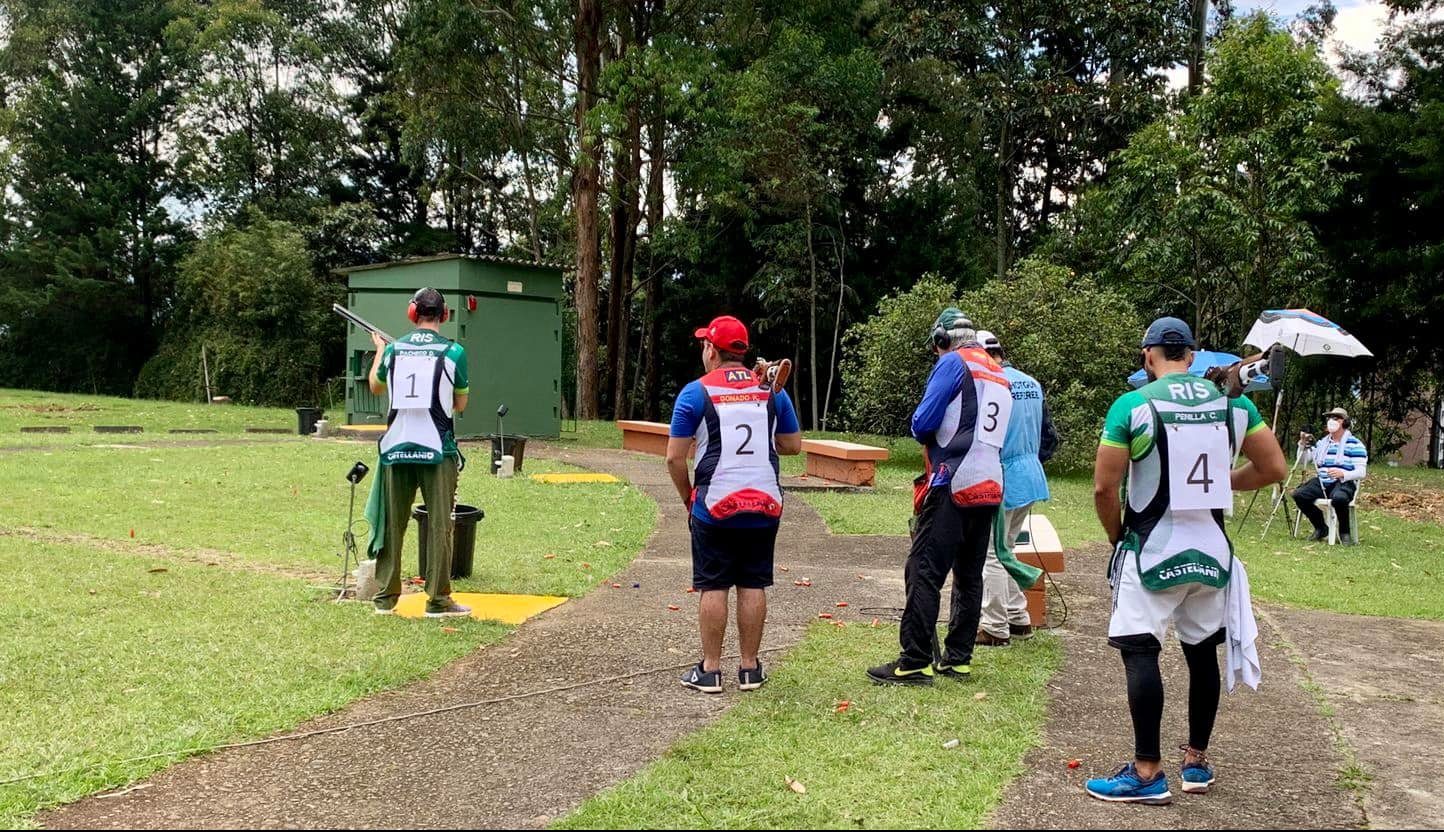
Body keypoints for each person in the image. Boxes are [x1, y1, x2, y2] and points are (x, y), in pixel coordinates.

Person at [1086, 317, 1287, 805]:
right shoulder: (1234, 405)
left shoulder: (1132, 405)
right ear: (1192, 357)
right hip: (1212, 553)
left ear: (1147, 355)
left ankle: (1146, 771)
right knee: (1200, 654)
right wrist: (1226, 480)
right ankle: (1195, 762)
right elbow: (1275, 468)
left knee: (1140, 650)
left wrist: (1117, 537)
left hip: (1152, 548)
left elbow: (1104, 487)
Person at [868, 308, 1012, 685]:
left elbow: (923, 423)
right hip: (991, 482)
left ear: (942, 341)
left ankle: (915, 659)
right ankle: (958, 658)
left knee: (924, 570)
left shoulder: (951, 364)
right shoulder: (998, 372)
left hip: (953, 480)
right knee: (969, 573)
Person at [667, 315, 802, 694]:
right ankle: (750, 669)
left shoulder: (694, 393)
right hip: (764, 502)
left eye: (703, 345)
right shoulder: (772, 389)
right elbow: (792, 446)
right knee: (753, 582)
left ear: (712, 349)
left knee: (713, 585)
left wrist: (687, 500)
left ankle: (709, 671)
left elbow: (674, 459)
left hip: (715, 505)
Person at [366, 287, 472, 618]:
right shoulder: (454, 352)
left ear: (412, 314)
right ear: (444, 316)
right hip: (437, 449)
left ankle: (385, 597)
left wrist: (380, 352)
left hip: (396, 449)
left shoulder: (394, 351)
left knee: (392, 523)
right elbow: (461, 403)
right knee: (440, 525)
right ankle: (438, 601)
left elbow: (376, 386)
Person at [955, 331, 1059, 648]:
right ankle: (1018, 617)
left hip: (1003, 475)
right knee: (1008, 549)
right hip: (1031, 474)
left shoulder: (993, 384)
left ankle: (995, 626)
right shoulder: (1031, 382)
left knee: (991, 554)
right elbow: (1049, 436)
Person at [1293, 407, 1368, 545]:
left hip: (1343, 482)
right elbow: (1304, 459)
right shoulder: (1323, 443)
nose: (1331, 421)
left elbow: (1361, 472)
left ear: (1344, 422)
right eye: (1330, 418)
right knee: (1299, 494)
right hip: (1322, 481)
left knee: (1339, 498)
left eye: (1336, 418)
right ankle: (1321, 528)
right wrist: (1302, 444)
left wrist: (1343, 474)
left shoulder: (1355, 445)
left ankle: (1344, 533)